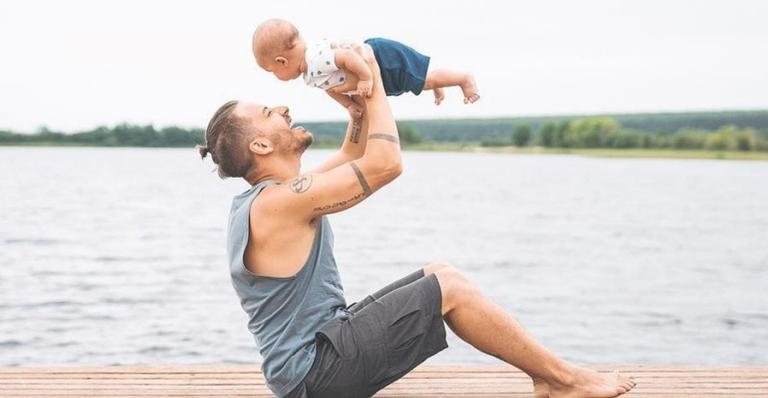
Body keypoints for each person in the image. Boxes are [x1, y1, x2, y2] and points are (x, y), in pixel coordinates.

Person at [198, 45, 635, 398]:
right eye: (270, 113)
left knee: (439, 274)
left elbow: (354, 156)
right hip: (315, 373)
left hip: (316, 360)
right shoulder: (278, 203)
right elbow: (385, 163)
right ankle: (563, 381)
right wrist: (372, 76)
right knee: (451, 289)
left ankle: (553, 377)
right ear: (259, 144)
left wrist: (357, 115)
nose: (284, 109)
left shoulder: (269, 199)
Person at [251, 18, 480, 120]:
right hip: (374, 67)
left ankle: (463, 79)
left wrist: (365, 78)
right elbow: (332, 89)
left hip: (379, 59)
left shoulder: (315, 59)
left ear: (282, 61)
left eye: (272, 71)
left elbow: (347, 57)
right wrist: (349, 105)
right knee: (422, 81)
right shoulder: (309, 74)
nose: (276, 77)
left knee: (425, 80)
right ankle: (434, 84)